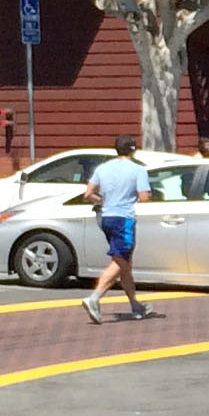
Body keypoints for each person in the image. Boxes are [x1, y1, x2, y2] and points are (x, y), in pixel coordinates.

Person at [80, 135, 155, 323]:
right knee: (120, 260)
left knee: (125, 263)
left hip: (107, 218)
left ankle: (135, 305)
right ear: (133, 150)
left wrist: (103, 200)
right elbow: (144, 197)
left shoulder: (103, 168)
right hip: (124, 219)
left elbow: (88, 194)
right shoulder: (138, 170)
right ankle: (94, 298)